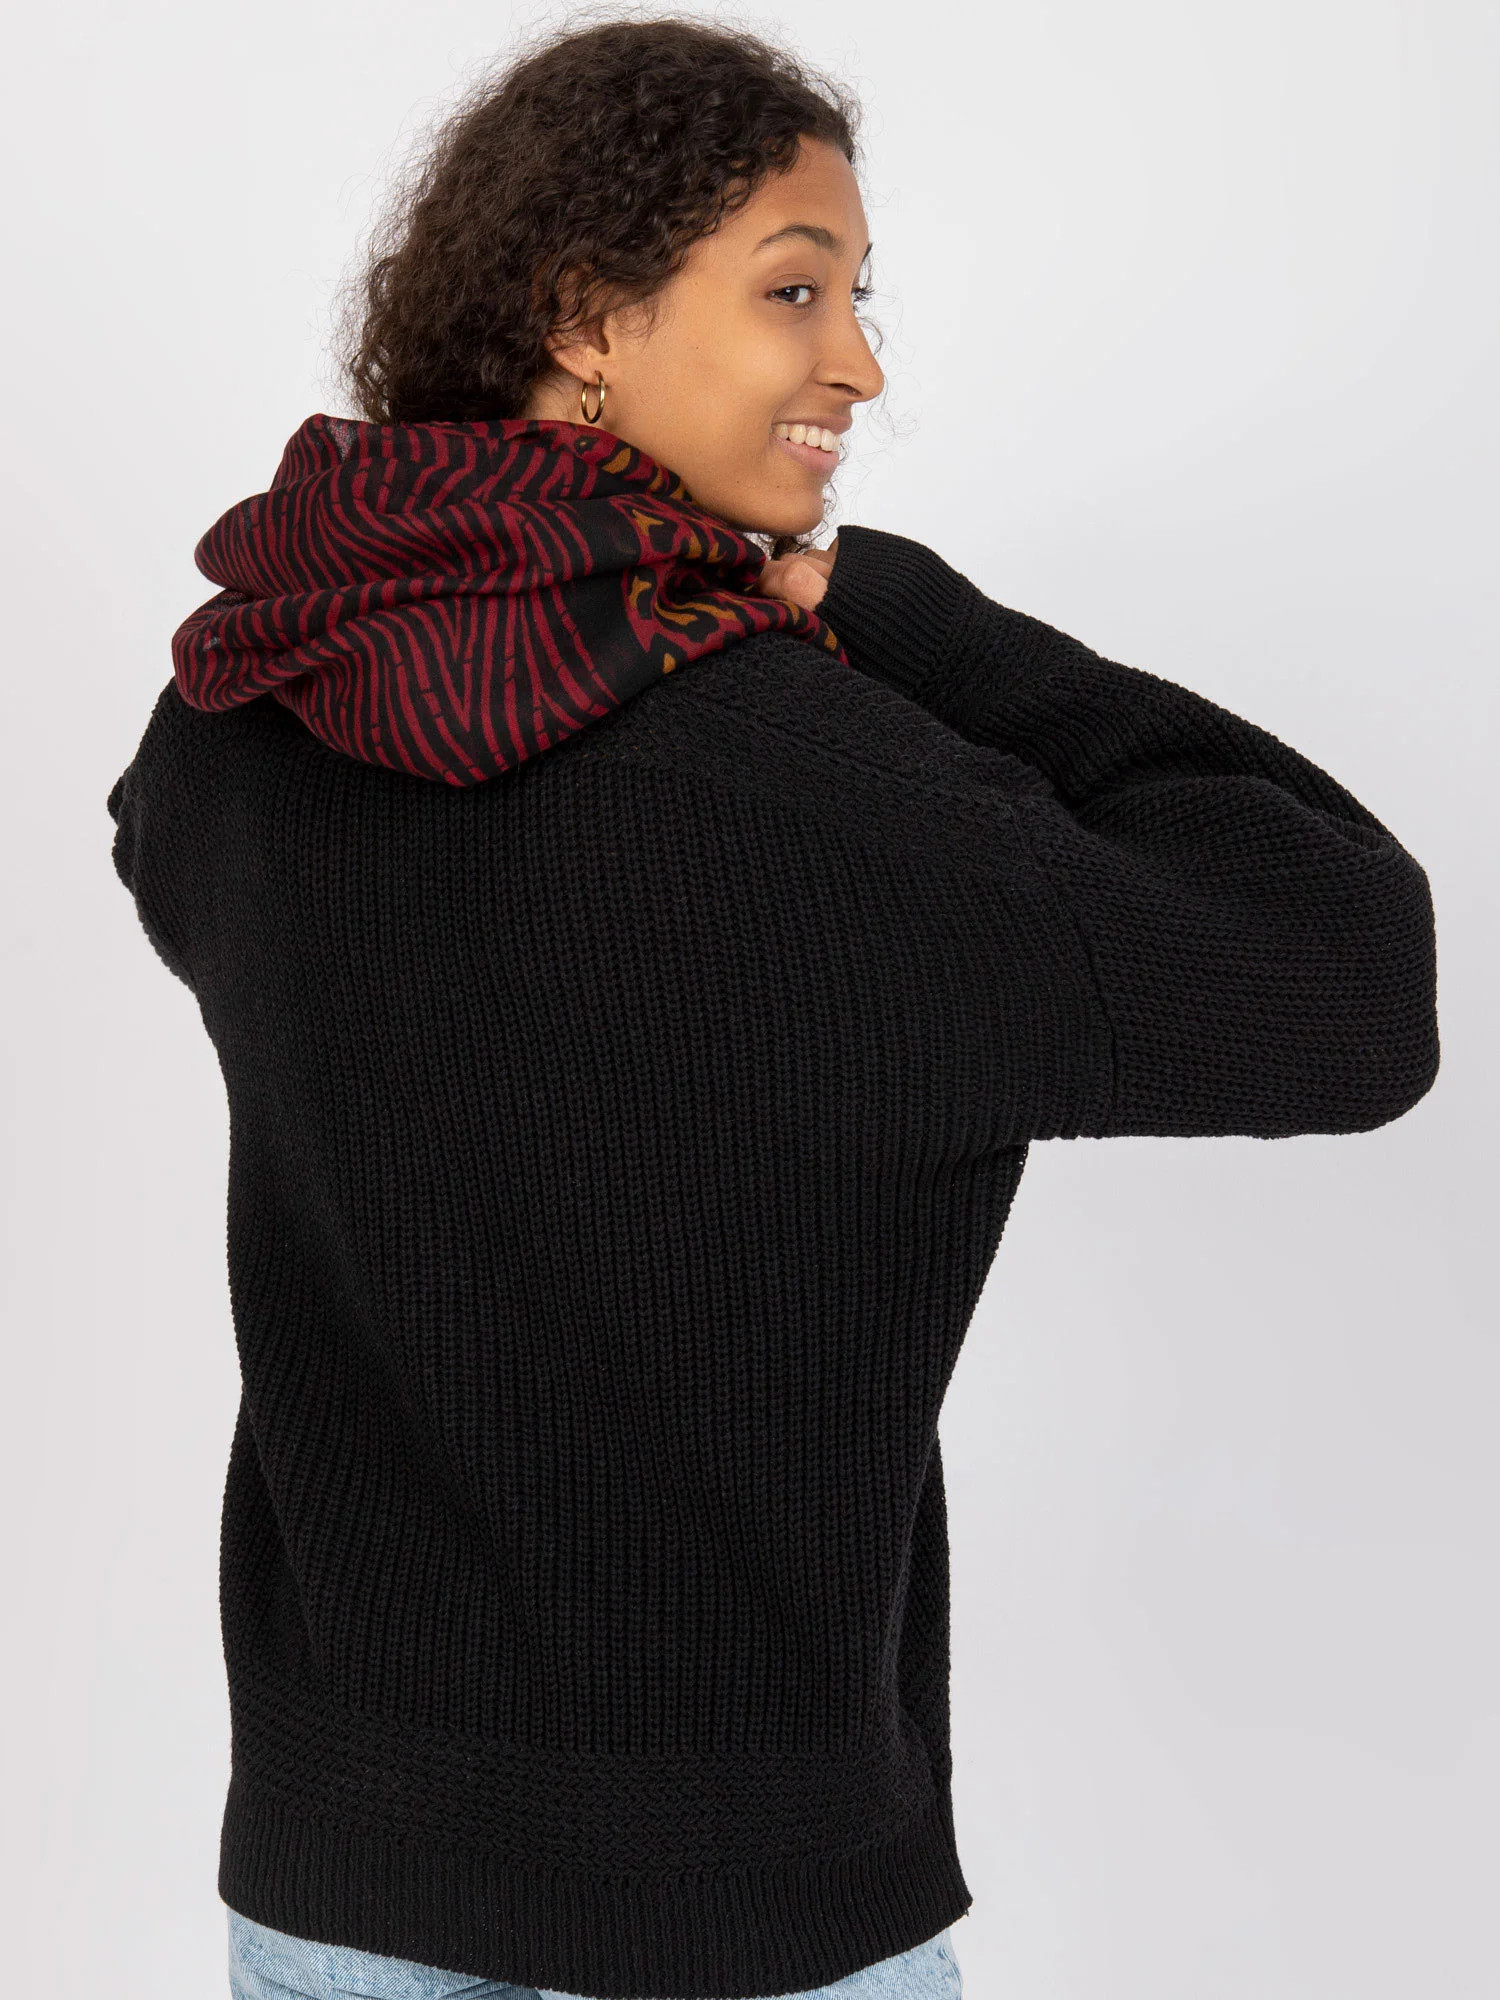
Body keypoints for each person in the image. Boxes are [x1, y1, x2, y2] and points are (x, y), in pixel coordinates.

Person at [104, 16, 1440, 2000]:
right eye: (797, 290)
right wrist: (897, 611)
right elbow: (1354, 978)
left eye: (858, 298)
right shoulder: (812, 786)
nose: (862, 364)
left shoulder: (238, 714)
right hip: (729, 1910)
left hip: (333, 1880)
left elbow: (169, 862)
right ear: (587, 316)